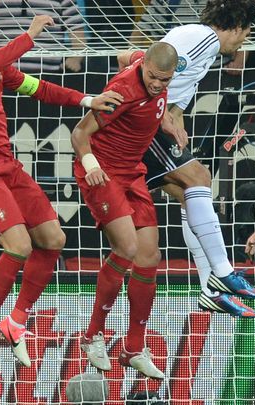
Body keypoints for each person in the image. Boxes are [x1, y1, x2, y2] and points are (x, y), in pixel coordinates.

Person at [0, 0, 123, 373]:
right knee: (19, 246)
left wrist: (87, 99)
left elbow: (38, 87)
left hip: (6, 164)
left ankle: (16, 321)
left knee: (54, 239)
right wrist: (30, 35)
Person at [116, 0, 255, 318]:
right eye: (246, 33)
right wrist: (161, 116)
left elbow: (174, 91)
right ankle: (222, 274)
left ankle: (211, 290)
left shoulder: (205, 48)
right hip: (134, 122)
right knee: (198, 180)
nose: (243, 42)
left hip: (143, 121)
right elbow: (140, 64)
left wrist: (175, 116)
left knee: (191, 195)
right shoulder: (199, 38)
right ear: (237, 25)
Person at [73, 41, 179, 380]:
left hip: (132, 172)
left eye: (165, 79)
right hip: (101, 170)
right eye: (152, 77)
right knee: (128, 248)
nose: (158, 85)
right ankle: (91, 338)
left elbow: (125, 55)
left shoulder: (146, 64)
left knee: (149, 256)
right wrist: (89, 164)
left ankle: (133, 347)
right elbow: (79, 133)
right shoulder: (122, 92)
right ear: (144, 66)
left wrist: (168, 118)